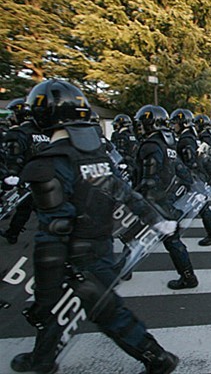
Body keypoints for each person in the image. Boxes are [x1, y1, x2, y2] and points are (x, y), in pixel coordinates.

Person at [11, 79, 178, 374]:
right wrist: (155, 220)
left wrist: (45, 293)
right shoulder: (95, 153)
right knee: (64, 312)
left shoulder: (53, 161)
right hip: (100, 245)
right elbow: (124, 193)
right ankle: (42, 361)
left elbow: (54, 230)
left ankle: (157, 358)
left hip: (75, 255)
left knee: (104, 313)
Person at [134, 104, 199, 289]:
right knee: (143, 235)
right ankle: (188, 276)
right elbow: (180, 168)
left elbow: (149, 180)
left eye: (142, 123)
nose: (139, 127)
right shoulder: (167, 143)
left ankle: (188, 277)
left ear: (150, 123)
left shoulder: (151, 145)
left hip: (154, 200)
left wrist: (137, 199)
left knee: (168, 238)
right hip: (165, 197)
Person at [0, 98, 50, 244]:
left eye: (13, 113)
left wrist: (11, 176)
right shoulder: (43, 133)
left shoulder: (18, 134)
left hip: (26, 178)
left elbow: (14, 159)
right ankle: (13, 233)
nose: (11, 117)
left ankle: (14, 234)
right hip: (45, 177)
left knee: (27, 208)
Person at [170, 108, 211, 246]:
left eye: (175, 123)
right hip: (198, 176)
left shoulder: (186, 140)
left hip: (193, 177)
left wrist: (187, 177)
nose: (173, 126)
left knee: (202, 207)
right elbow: (204, 156)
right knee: (198, 206)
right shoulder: (193, 137)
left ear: (184, 124)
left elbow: (191, 161)